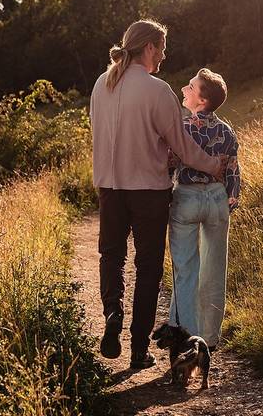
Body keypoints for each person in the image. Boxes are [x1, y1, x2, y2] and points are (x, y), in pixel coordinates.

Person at [89, 20, 226, 369]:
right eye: (161, 48)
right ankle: (138, 348)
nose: (163, 56)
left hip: (110, 188)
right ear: (149, 47)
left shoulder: (99, 86)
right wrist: (214, 166)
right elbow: (182, 147)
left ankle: (112, 313)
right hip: (149, 191)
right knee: (148, 267)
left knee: (112, 257)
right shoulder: (157, 90)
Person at [167, 68, 239, 351]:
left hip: (186, 199)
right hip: (217, 200)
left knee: (185, 269)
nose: (185, 89)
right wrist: (230, 200)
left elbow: (169, 166)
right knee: (214, 268)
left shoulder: (181, 130)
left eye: (191, 87)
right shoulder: (226, 130)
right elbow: (233, 170)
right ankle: (209, 338)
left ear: (202, 100)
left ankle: (186, 339)